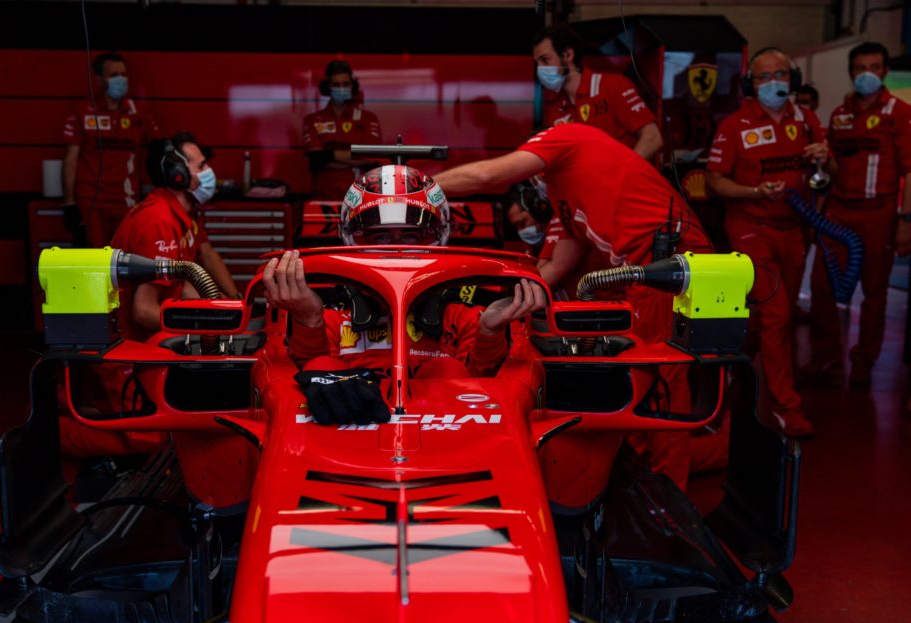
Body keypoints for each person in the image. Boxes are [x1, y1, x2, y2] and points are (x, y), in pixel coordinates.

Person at [431, 124, 713, 489]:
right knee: (643, 382)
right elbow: (550, 269)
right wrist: (480, 292)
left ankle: (669, 492)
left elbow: (487, 175)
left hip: (668, 264)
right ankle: (645, 480)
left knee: (661, 381)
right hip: (641, 276)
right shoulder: (564, 199)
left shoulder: (568, 136)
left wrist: (416, 187)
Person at [263, 165, 546, 378]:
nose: (396, 246)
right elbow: (309, 381)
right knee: (325, 368)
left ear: (440, 234)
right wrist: (308, 321)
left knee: (445, 371)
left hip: (443, 445)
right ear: (352, 238)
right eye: (381, 237)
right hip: (347, 444)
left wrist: (490, 331)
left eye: (410, 236)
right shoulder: (330, 315)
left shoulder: (465, 315)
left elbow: (482, 388)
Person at [705, 47, 828, 438]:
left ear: (791, 79)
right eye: (763, 77)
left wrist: (825, 158)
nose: (773, 83)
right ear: (750, 84)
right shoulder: (735, 125)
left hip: (794, 231)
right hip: (750, 229)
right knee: (777, 315)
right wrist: (755, 190)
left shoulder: (807, 120)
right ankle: (785, 408)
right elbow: (714, 182)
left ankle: (733, 373)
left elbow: (829, 172)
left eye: (780, 74)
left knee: (770, 317)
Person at [802, 42, 911, 387]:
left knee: (875, 292)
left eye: (874, 67)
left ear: (884, 71)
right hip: (838, 212)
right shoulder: (839, 114)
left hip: (879, 215)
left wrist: (905, 223)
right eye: (860, 67)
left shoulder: (900, 112)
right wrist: (823, 156)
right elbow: (833, 168)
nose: (867, 73)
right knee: (822, 285)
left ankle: (864, 362)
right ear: (851, 72)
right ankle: (826, 357)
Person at [110, 133, 242, 342]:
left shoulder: (183, 213)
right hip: (133, 355)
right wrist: (204, 329)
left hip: (160, 338)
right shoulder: (159, 222)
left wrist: (235, 306)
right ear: (178, 174)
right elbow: (143, 310)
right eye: (202, 166)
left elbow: (205, 260)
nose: (209, 172)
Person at [62, 52, 160, 248]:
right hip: (91, 201)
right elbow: (71, 159)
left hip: (127, 200)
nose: (121, 80)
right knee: (96, 261)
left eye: (123, 74)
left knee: (123, 261)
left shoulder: (139, 112)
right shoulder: (83, 110)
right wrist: (69, 203)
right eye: (114, 75)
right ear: (99, 79)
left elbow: (158, 151)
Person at [533, 23, 663, 161]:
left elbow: (653, 138)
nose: (540, 68)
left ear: (568, 55)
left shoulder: (613, 86)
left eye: (545, 60)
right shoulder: (556, 107)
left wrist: (623, 173)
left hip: (621, 179)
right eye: (537, 63)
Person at [302, 60, 383, 199]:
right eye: (336, 85)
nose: (341, 88)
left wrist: (329, 155)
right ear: (327, 88)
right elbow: (316, 160)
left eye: (345, 84)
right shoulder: (312, 120)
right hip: (324, 199)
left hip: (361, 199)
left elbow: (371, 158)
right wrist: (355, 157)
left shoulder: (369, 119)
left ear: (353, 86)